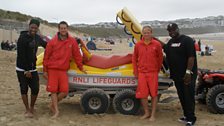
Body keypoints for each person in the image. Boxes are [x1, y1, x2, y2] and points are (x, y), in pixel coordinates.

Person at [43, 21, 86, 118]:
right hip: (52, 69)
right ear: (58, 29)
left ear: (67, 29)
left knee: (64, 91)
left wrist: (81, 67)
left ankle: (52, 105)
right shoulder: (53, 41)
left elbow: (77, 55)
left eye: (65, 28)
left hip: (63, 70)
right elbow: (46, 56)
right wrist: (45, 70)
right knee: (53, 91)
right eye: (61, 28)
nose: (63, 30)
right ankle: (56, 111)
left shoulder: (72, 41)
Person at [160, 23, 197, 126]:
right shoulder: (171, 42)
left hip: (188, 75)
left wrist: (188, 72)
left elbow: (191, 57)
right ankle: (186, 116)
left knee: (188, 96)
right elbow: (165, 47)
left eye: (173, 30)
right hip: (176, 75)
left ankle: (191, 118)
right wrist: (153, 39)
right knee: (181, 96)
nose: (171, 32)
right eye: (169, 31)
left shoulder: (187, 40)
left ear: (178, 29)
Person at [16, 19, 47, 118]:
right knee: (24, 88)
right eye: (32, 27)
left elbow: (47, 45)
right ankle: (27, 109)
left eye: (35, 27)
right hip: (22, 68)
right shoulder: (22, 38)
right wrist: (26, 70)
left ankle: (32, 107)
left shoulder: (37, 38)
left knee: (35, 88)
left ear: (38, 28)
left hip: (33, 68)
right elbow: (21, 55)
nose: (33, 29)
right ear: (29, 26)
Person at [132, 26, 163, 121]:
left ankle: (153, 114)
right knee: (143, 94)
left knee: (154, 94)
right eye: (144, 32)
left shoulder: (157, 44)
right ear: (142, 33)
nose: (146, 34)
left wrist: (157, 69)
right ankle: (147, 112)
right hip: (142, 73)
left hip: (153, 72)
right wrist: (136, 72)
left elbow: (160, 58)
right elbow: (134, 58)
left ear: (151, 33)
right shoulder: (138, 44)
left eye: (148, 32)